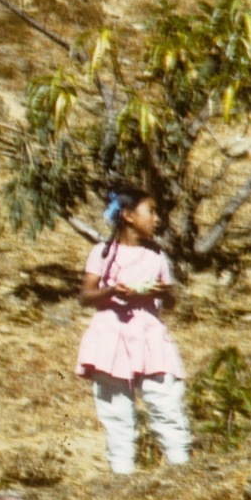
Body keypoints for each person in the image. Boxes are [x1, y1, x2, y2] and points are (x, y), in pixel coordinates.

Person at [77, 188, 191, 475]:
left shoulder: (156, 254)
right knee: (116, 410)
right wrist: (111, 291)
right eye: (150, 211)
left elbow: (170, 301)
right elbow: (85, 296)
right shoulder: (102, 253)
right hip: (111, 334)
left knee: (165, 400)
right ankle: (122, 473)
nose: (157, 218)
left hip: (150, 334)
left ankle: (181, 467)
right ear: (128, 216)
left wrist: (162, 293)